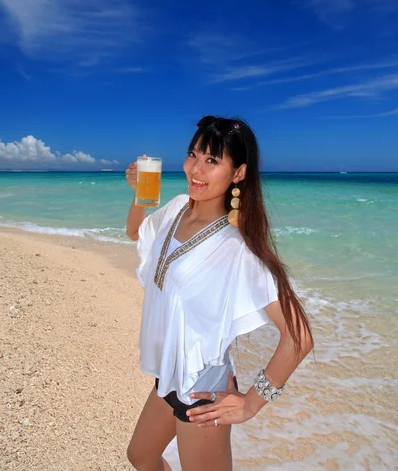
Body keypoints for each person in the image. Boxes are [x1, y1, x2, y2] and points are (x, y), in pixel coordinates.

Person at [125, 115, 314, 471]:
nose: (196, 168)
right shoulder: (178, 207)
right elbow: (136, 232)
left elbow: (299, 337)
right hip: (169, 375)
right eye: (193, 154)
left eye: (212, 160)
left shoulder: (236, 247)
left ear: (238, 173)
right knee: (141, 456)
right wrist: (140, 194)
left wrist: (251, 403)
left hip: (201, 389)